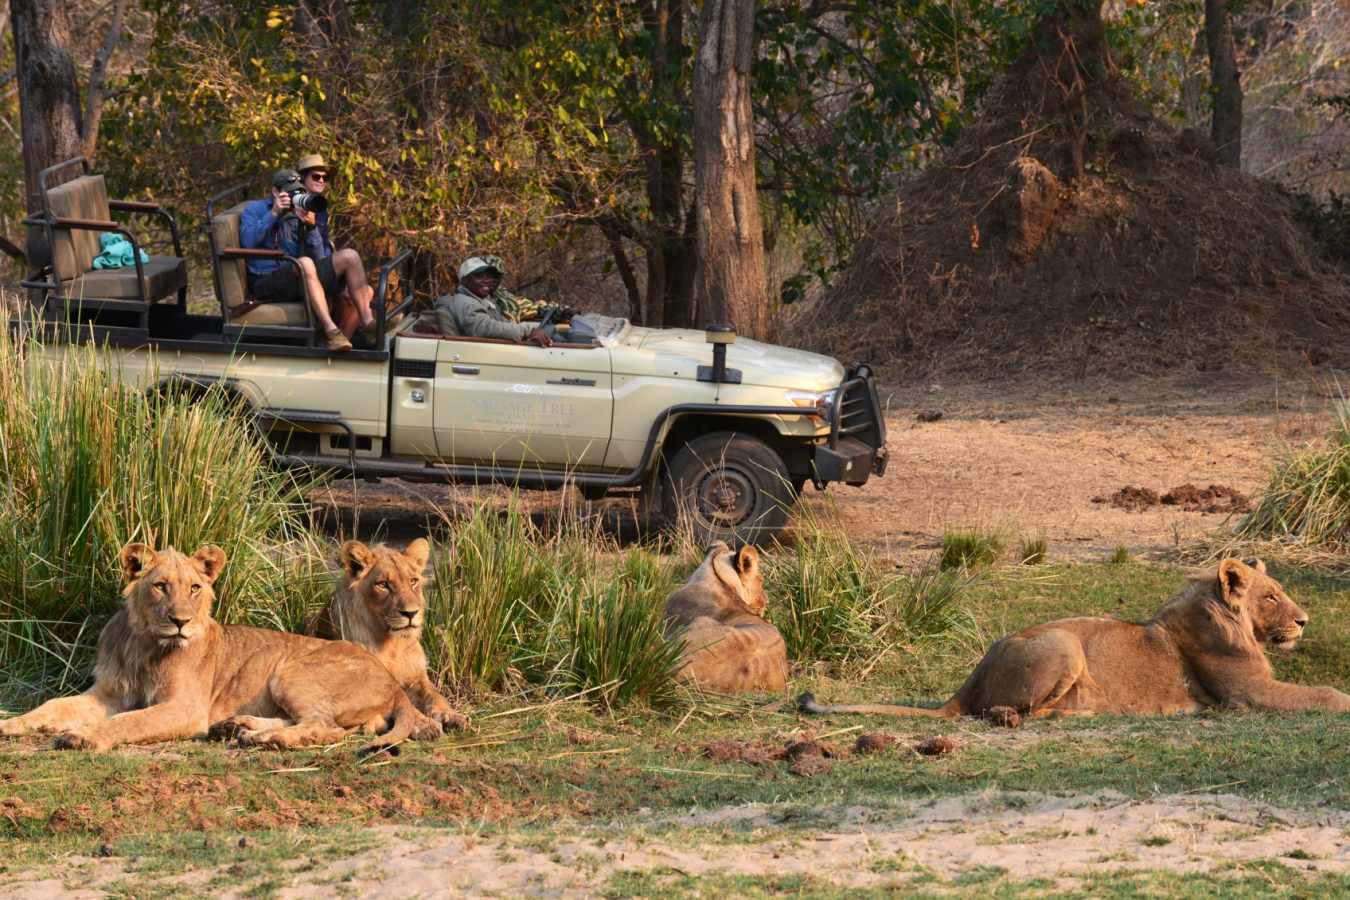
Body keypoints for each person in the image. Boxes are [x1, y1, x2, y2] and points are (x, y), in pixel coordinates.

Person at [239, 169, 375, 351]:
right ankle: (331, 331)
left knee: (350, 256)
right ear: (275, 192)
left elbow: (320, 257)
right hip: (266, 279)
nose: (295, 196)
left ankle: (368, 323)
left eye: (298, 192)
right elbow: (247, 243)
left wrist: (311, 228)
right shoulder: (254, 210)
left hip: (298, 275)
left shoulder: (299, 211)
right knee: (305, 263)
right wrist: (273, 213)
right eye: (290, 193)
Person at [437, 257, 552, 346]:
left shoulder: (481, 300)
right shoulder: (466, 303)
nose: (487, 280)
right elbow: (485, 328)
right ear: (464, 280)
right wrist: (527, 330)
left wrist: (534, 327)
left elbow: (503, 323)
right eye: (479, 276)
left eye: (489, 276)